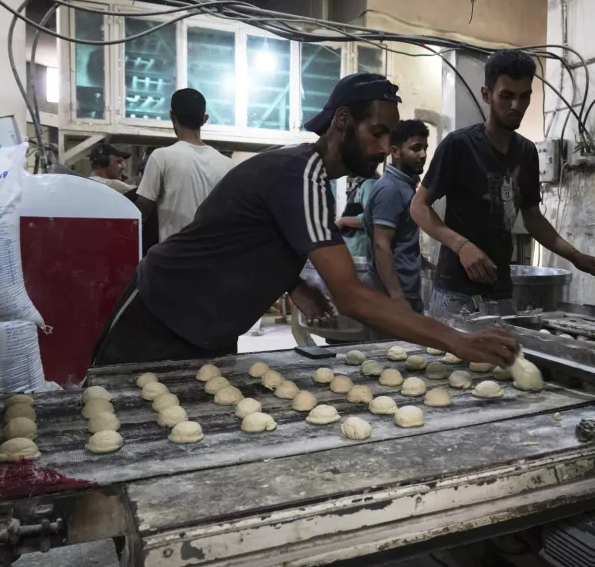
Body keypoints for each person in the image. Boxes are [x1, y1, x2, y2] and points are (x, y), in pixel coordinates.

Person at [91, 73, 518, 367]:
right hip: (159, 312)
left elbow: (243, 236)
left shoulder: (305, 174)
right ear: (343, 122)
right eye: (378, 133)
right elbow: (350, 296)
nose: (387, 147)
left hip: (210, 326)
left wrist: (293, 283)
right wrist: (456, 341)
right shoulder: (300, 173)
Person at [410, 49, 595, 319]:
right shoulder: (459, 146)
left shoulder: (527, 153)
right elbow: (419, 206)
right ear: (487, 95)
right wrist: (462, 246)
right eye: (507, 96)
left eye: (524, 96)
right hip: (455, 293)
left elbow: (533, 219)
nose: (517, 105)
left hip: (501, 290)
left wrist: (576, 257)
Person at [135, 89, 235, 243]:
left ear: (171, 116)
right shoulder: (228, 164)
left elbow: (143, 207)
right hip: (215, 259)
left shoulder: (162, 157)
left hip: (175, 258)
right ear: (204, 119)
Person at [364, 119, 430, 313]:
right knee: (391, 345)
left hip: (404, 291)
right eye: (416, 149)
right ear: (395, 152)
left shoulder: (405, 186)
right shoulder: (390, 189)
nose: (423, 155)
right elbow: (381, 245)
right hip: (389, 295)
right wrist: (397, 298)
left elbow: (404, 240)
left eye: (425, 148)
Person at [336, 174, 378, 259]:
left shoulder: (369, 184)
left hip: (359, 249)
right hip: (354, 249)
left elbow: (370, 218)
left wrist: (342, 221)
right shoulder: (362, 184)